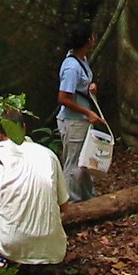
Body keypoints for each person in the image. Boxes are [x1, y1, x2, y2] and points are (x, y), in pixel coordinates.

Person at [0, 109, 70, 275]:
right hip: (53, 247)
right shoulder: (47, 154)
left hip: (12, 242)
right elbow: (64, 206)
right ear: (24, 127)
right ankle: (43, 262)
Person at [55, 22, 106, 202]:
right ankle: (71, 202)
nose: (94, 39)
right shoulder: (71, 67)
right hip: (73, 121)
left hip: (82, 120)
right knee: (73, 163)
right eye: (92, 36)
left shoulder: (81, 60)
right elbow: (63, 98)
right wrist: (88, 112)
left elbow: (78, 87)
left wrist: (89, 88)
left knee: (84, 161)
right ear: (86, 41)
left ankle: (88, 197)